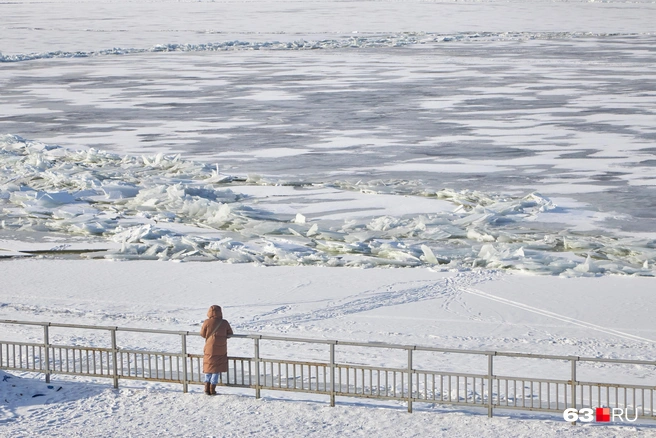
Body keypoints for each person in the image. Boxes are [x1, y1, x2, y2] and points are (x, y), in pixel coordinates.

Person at [200, 305, 233, 395]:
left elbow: (202, 334)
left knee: (208, 366)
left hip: (209, 348)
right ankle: (212, 389)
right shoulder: (224, 322)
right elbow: (230, 333)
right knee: (216, 369)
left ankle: (206, 388)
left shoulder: (207, 322)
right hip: (221, 349)